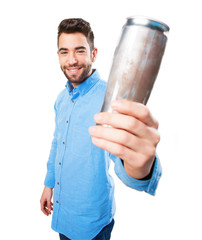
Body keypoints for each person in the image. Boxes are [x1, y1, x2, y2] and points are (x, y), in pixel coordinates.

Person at [40, 18, 162, 240]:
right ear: (58, 55)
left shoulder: (112, 99)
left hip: (93, 225)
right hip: (62, 215)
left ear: (93, 54)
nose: (72, 60)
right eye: (64, 52)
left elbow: (125, 155)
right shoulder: (61, 99)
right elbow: (57, 142)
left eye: (80, 51)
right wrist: (49, 185)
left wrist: (142, 168)